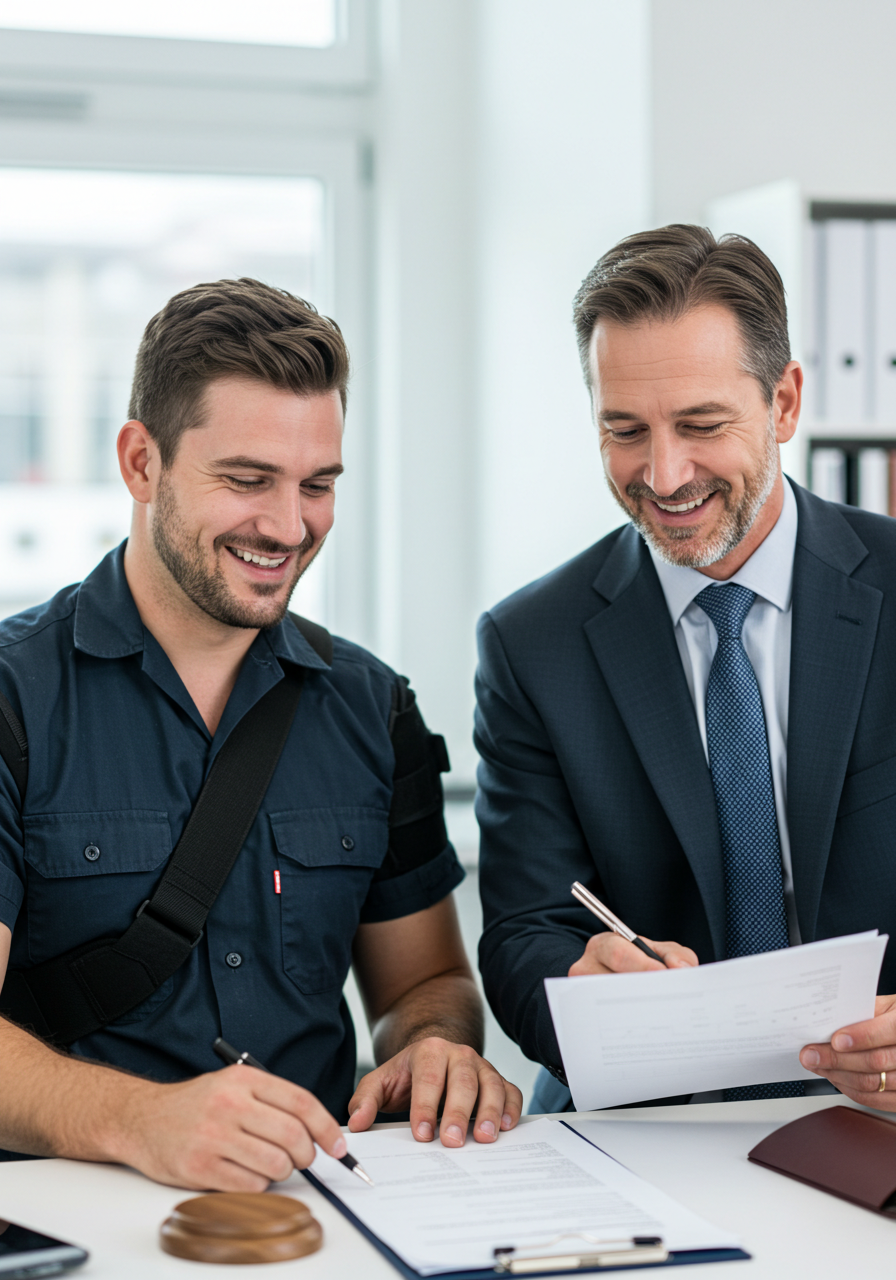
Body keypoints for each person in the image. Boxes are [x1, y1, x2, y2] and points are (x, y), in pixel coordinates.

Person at [0, 277, 522, 1188]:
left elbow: (421, 987)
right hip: (72, 1220)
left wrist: (437, 1047)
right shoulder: (12, 699)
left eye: (318, 485)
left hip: (323, 1214)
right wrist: (140, 1119)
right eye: (247, 481)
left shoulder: (374, 707)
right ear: (141, 463)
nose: (288, 527)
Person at [475, 224, 896, 1112]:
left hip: (875, 1106)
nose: (663, 475)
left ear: (784, 405)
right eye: (625, 431)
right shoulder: (531, 643)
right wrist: (586, 993)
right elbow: (523, 935)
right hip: (641, 1121)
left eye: (702, 425)